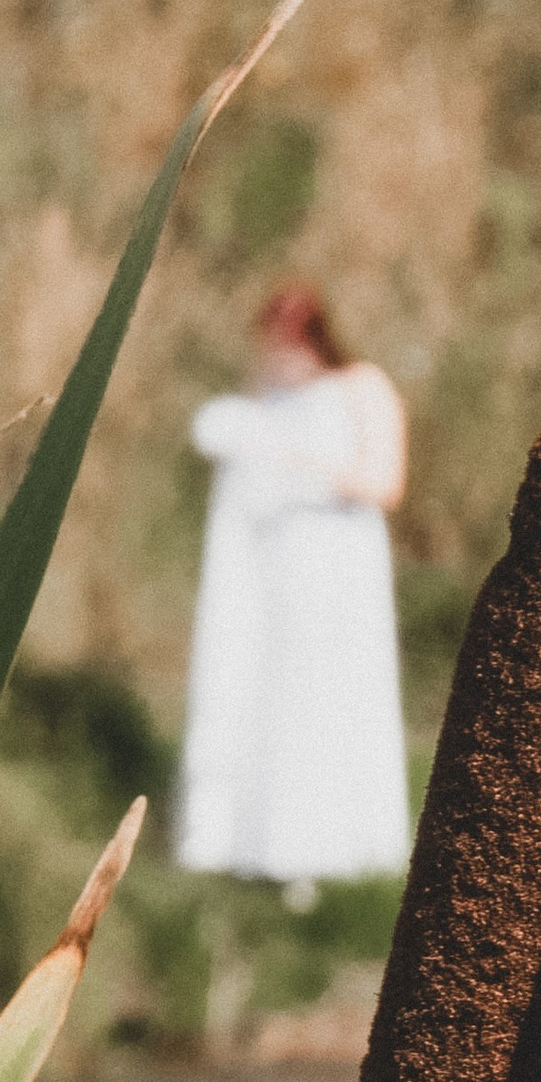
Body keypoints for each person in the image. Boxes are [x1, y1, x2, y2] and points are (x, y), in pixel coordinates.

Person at [175, 283, 413, 894]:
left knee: (331, 693)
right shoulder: (269, 397)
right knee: (268, 693)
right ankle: (260, 840)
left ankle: (339, 849)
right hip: (272, 568)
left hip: (337, 565)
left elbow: (386, 482)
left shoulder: (364, 385)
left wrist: (296, 461)